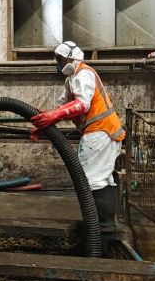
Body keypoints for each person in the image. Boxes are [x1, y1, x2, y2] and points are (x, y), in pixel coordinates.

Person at [30, 41, 125, 231]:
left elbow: (83, 105)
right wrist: (46, 120)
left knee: (94, 180)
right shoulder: (71, 79)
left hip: (101, 132)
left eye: (59, 59)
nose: (57, 63)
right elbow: (63, 107)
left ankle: (103, 229)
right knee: (92, 178)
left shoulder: (84, 74)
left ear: (71, 58)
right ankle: (96, 227)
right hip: (95, 133)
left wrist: (53, 117)